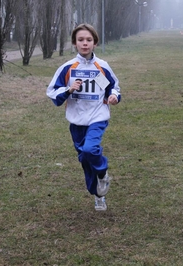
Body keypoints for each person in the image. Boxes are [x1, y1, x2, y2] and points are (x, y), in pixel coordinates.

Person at [46, 23, 121, 211]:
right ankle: (98, 195)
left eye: (89, 40)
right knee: (85, 161)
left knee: (90, 150)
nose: (85, 43)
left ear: (95, 43)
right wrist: (69, 89)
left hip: (97, 117)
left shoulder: (100, 67)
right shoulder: (68, 67)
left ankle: (103, 173)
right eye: (81, 40)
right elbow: (52, 92)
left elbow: (111, 87)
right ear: (74, 43)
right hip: (77, 121)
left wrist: (113, 96)